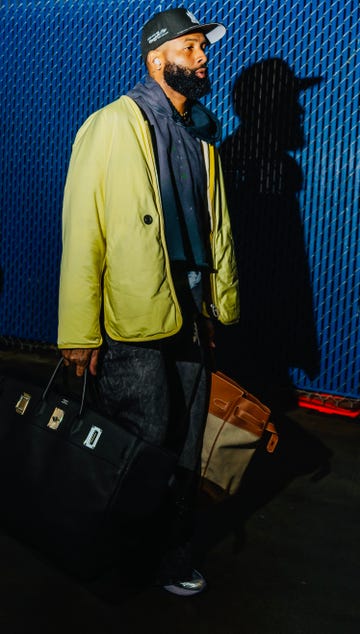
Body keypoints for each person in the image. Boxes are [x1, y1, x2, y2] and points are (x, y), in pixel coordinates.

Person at [58, 7, 239, 596]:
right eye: (190, 48)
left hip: (187, 308)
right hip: (129, 315)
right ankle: (112, 555)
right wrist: (79, 331)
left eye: (203, 49)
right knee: (143, 436)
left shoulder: (200, 134)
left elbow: (209, 234)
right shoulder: (112, 125)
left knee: (185, 440)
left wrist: (210, 306)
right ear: (157, 59)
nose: (203, 58)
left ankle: (171, 555)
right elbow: (84, 231)